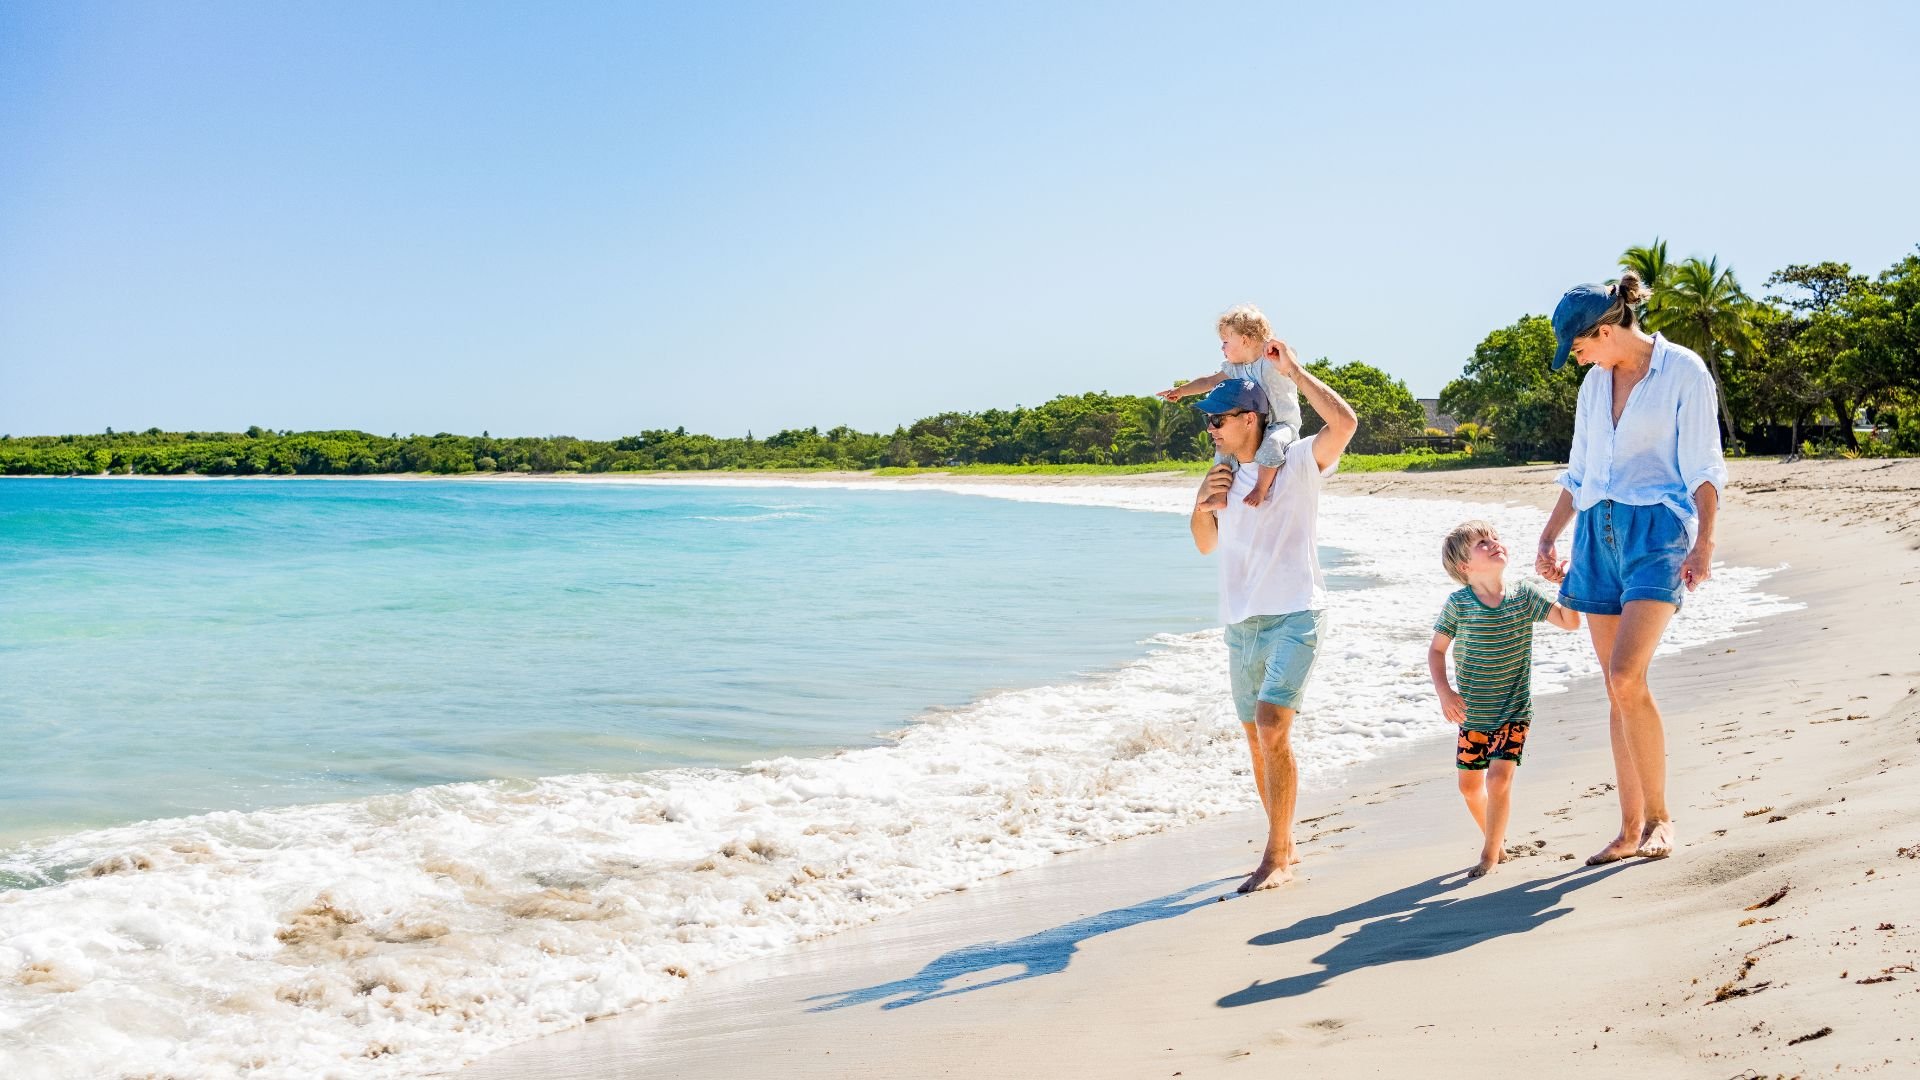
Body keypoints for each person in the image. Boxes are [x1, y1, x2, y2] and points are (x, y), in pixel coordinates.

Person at [1534, 271, 1728, 865]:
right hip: (1597, 532)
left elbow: (1705, 466)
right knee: (1615, 689)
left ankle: (1661, 819)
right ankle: (1628, 829)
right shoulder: (1594, 386)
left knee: (1625, 677)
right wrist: (1549, 535)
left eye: (1578, 346)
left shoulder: (1684, 371)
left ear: (1605, 330)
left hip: (1656, 533)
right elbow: (1580, 471)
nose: (1576, 358)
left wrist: (1704, 543)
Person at [1189, 340, 1357, 893]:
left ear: (1250, 418)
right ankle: (1284, 840)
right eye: (1208, 420)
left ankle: (1276, 856)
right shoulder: (1219, 475)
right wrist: (1201, 505)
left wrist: (1295, 372)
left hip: (1296, 615)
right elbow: (1205, 545)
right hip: (1240, 624)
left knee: (1270, 726)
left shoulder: (1299, 461)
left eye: (1219, 419)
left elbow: (1346, 424)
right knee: (1256, 739)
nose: (1211, 428)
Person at [1429, 520, 1581, 878]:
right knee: (1469, 788)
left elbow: (1569, 621)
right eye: (1483, 542)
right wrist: (1445, 692)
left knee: (1497, 781)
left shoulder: (1524, 595)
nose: (1494, 543)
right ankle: (1496, 840)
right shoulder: (1459, 604)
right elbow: (1436, 651)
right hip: (1472, 714)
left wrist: (1568, 585)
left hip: (1514, 709)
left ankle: (1489, 854)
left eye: (1495, 538)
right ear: (1465, 566)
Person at [1159, 304, 1305, 507]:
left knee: (1272, 443)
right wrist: (1181, 390)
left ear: (1244, 340)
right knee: (1223, 450)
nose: (1222, 348)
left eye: (1225, 342)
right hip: (1252, 426)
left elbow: (1292, 366)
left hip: (1281, 424)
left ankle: (1260, 489)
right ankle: (1220, 495)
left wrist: (1282, 354)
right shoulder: (1236, 369)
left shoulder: (1271, 361)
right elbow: (1209, 381)